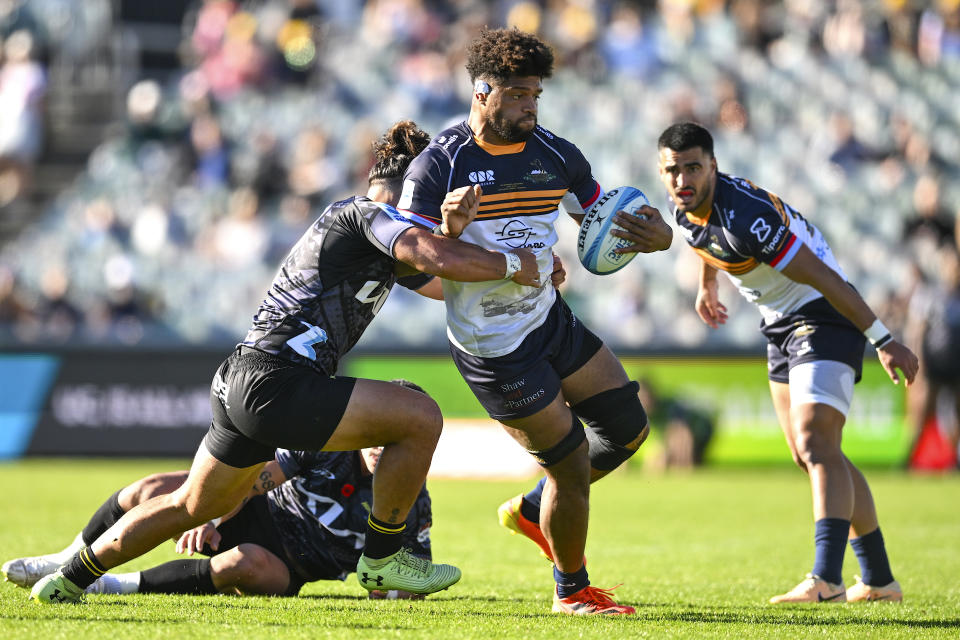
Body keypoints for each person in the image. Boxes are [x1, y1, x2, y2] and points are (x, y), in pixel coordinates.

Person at [29, 120, 541, 605]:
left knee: (190, 505)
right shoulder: (363, 216)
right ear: (413, 185)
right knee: (421, 416)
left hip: (243, 376)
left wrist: (458, 240)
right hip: (280, 381)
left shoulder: (385, 237)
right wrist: (518, 264)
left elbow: (439, 280)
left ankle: (70, 579)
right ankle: (383, 556)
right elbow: (432, 258)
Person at [397, 28, 673, 615]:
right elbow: (405, 266)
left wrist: (655, 236)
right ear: (481, 91)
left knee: (628, 431)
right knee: (571, 461)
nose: (529, 105)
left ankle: (532, 509)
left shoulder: (556, 155)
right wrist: (456, 245)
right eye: (518, 94)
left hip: (549, 321)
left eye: (536, 95)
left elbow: (607, 218)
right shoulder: (438, 168)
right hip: (494, 350)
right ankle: (572, 592)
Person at [657, 122, 918, 604]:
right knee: (812, 454)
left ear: (713, 165)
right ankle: (880, 580)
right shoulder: (685, 207)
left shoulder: (747, 218)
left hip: (822, 311)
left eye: (693, 167)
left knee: (816, 442)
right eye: (673, 170)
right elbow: (701, 239)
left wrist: (883, 339)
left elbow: (826, 278)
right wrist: (706, 286)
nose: (682, 179)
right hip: (777, 322)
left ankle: (827, 580)